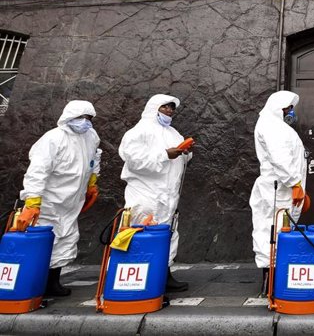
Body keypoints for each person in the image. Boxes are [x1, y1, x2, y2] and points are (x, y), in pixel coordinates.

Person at [18, 100, 101, 297]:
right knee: (43, 242)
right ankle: (33, 284)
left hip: (72, 200)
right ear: (69, 116)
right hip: (49, 201)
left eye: (89, 118)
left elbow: (94, 158)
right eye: (81, 117)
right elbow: (38, 170)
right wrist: (33, 200)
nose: (85, 122)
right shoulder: (53, 139)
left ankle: (52, 282)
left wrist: (92, 181)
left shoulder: (90, 136)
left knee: (66, 239)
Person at [119, 94, 192, 292]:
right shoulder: (139, 131)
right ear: (154, 108)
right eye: (164, 107)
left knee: (167, 234)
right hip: (145, 194)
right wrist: (164, 155)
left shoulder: (173, 132)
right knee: (141, 235)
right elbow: (133, 159)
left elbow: (178, 157)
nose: (169, 111)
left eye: (171, 108)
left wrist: (185, 152)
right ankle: (136, 278)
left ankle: (163, 275)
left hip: (167, 195)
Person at [250, 90, 307, 296]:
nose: (290, 112)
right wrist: (295, 183)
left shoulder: (274, 125)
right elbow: (281, 158)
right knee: (271, 230)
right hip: (277, 189)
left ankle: (275, 277)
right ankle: (270, 281)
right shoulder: (272, 126)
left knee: (278, 230)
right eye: (287, 108)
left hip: (281, 188)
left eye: (291, 108)